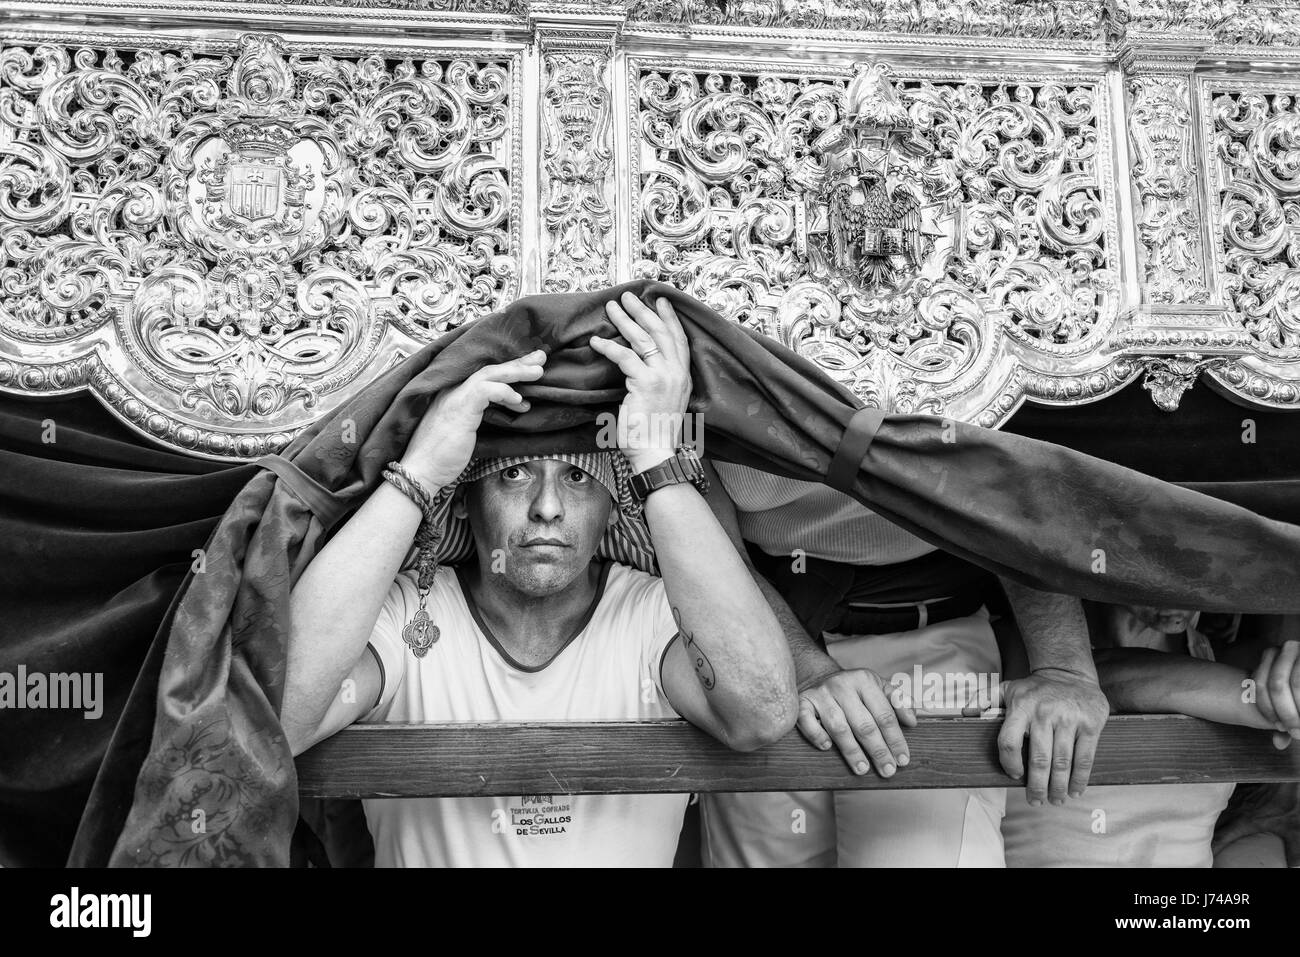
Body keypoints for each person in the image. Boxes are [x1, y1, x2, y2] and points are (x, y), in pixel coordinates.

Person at [279, 291, 798, 866]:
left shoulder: (654, 616)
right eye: (515, 475)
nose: (547, 507)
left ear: (613, 506)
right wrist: (421, 471)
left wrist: (656, 455)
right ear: (463, 499)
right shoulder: (411, 616)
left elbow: (762, 712)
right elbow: (277, 721)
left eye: (577, 477)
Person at [696, 465, 1109, 867]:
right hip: (763, 636)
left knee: (921, 852)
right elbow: (700, 533)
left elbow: (1014, 468)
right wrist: (801, 669)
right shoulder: (696, 400)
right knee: (767, 852)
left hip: (934, 639)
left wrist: (1063, 667)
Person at [1002, 604, 1295, 867]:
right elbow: (1103, 681)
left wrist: (1281, 691)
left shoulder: (1226, 660)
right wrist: (1273, 702)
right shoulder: (1026, 649)